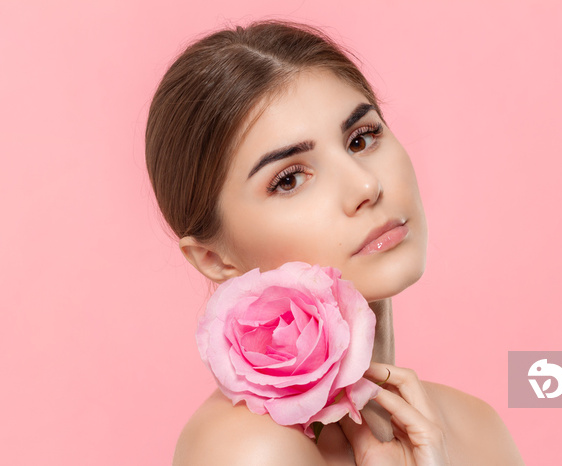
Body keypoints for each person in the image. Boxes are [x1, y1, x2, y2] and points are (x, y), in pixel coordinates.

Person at [146, 20, 524, 465]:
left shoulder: (473, 429)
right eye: (289, 179)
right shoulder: (249, 449)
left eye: (362, 138)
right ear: (214, 259)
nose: (365, 185)